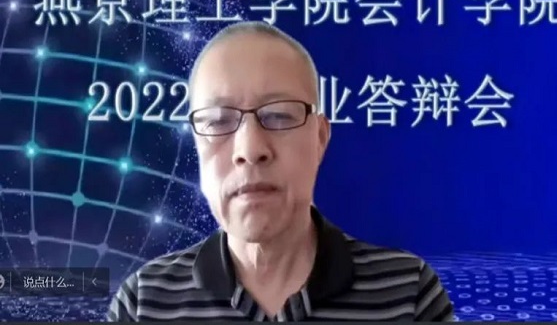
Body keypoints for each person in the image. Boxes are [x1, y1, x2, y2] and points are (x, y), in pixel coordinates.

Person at [107, 21, 454, 322]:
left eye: (278, 116)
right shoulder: (144, 303)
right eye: (218, 121)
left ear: (320, 138)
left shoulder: (408, 294)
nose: (249, 150)